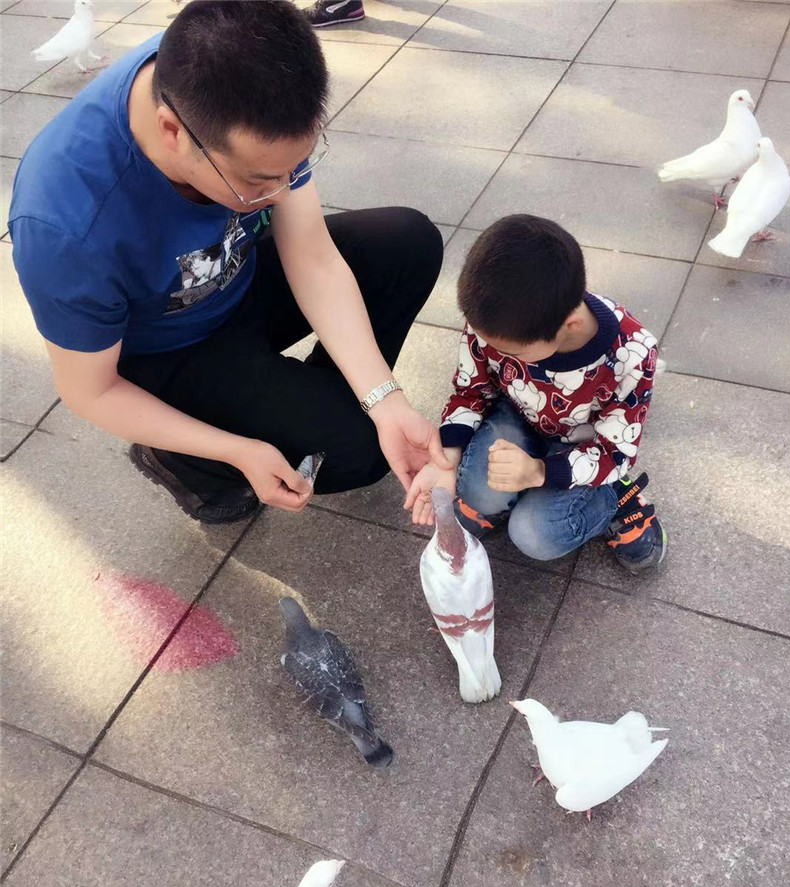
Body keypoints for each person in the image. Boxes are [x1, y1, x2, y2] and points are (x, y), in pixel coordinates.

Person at [9, 0, 450, 525]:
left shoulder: (238, 73)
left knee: (408, 242)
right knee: (361, 453)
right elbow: (90, 390)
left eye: (293, 167)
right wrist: (235, 449)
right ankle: (189, 461)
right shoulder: (66, 225)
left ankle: (314, 410)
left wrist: (385, 401)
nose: (282, 192)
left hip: (236, 274)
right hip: (168, 350)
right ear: (172, 131)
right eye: (258, 180)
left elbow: (312, 255)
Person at [404, 214, 667, 573]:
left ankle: (613, 499)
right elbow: (471, 391)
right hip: (518, 417)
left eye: (513, 353)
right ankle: (510, 494)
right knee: (478, 493)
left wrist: (539, 472)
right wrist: (445, 460)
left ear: (570, 325)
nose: (495, 352)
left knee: (535, 535)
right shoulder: (496, 318)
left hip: (587, 446)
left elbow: (615, 450)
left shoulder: (632, 354)